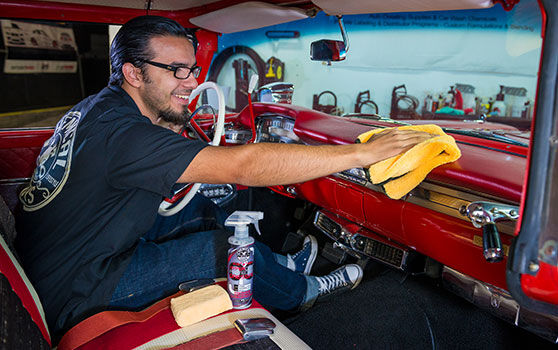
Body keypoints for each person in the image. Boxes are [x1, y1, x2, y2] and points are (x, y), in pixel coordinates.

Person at [15, 15, 432, 342]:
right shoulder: (124, 136)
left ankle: (281, 266)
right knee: (218, 250)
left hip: (66, 257)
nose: (192, 82)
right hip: (77, 291)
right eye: (175, 71)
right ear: (133, 74)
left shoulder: (98, 109)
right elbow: (242, 166)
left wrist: (172, 117)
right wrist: (362, 153)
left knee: (197, 206)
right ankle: (301, 294)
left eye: (192, 69)